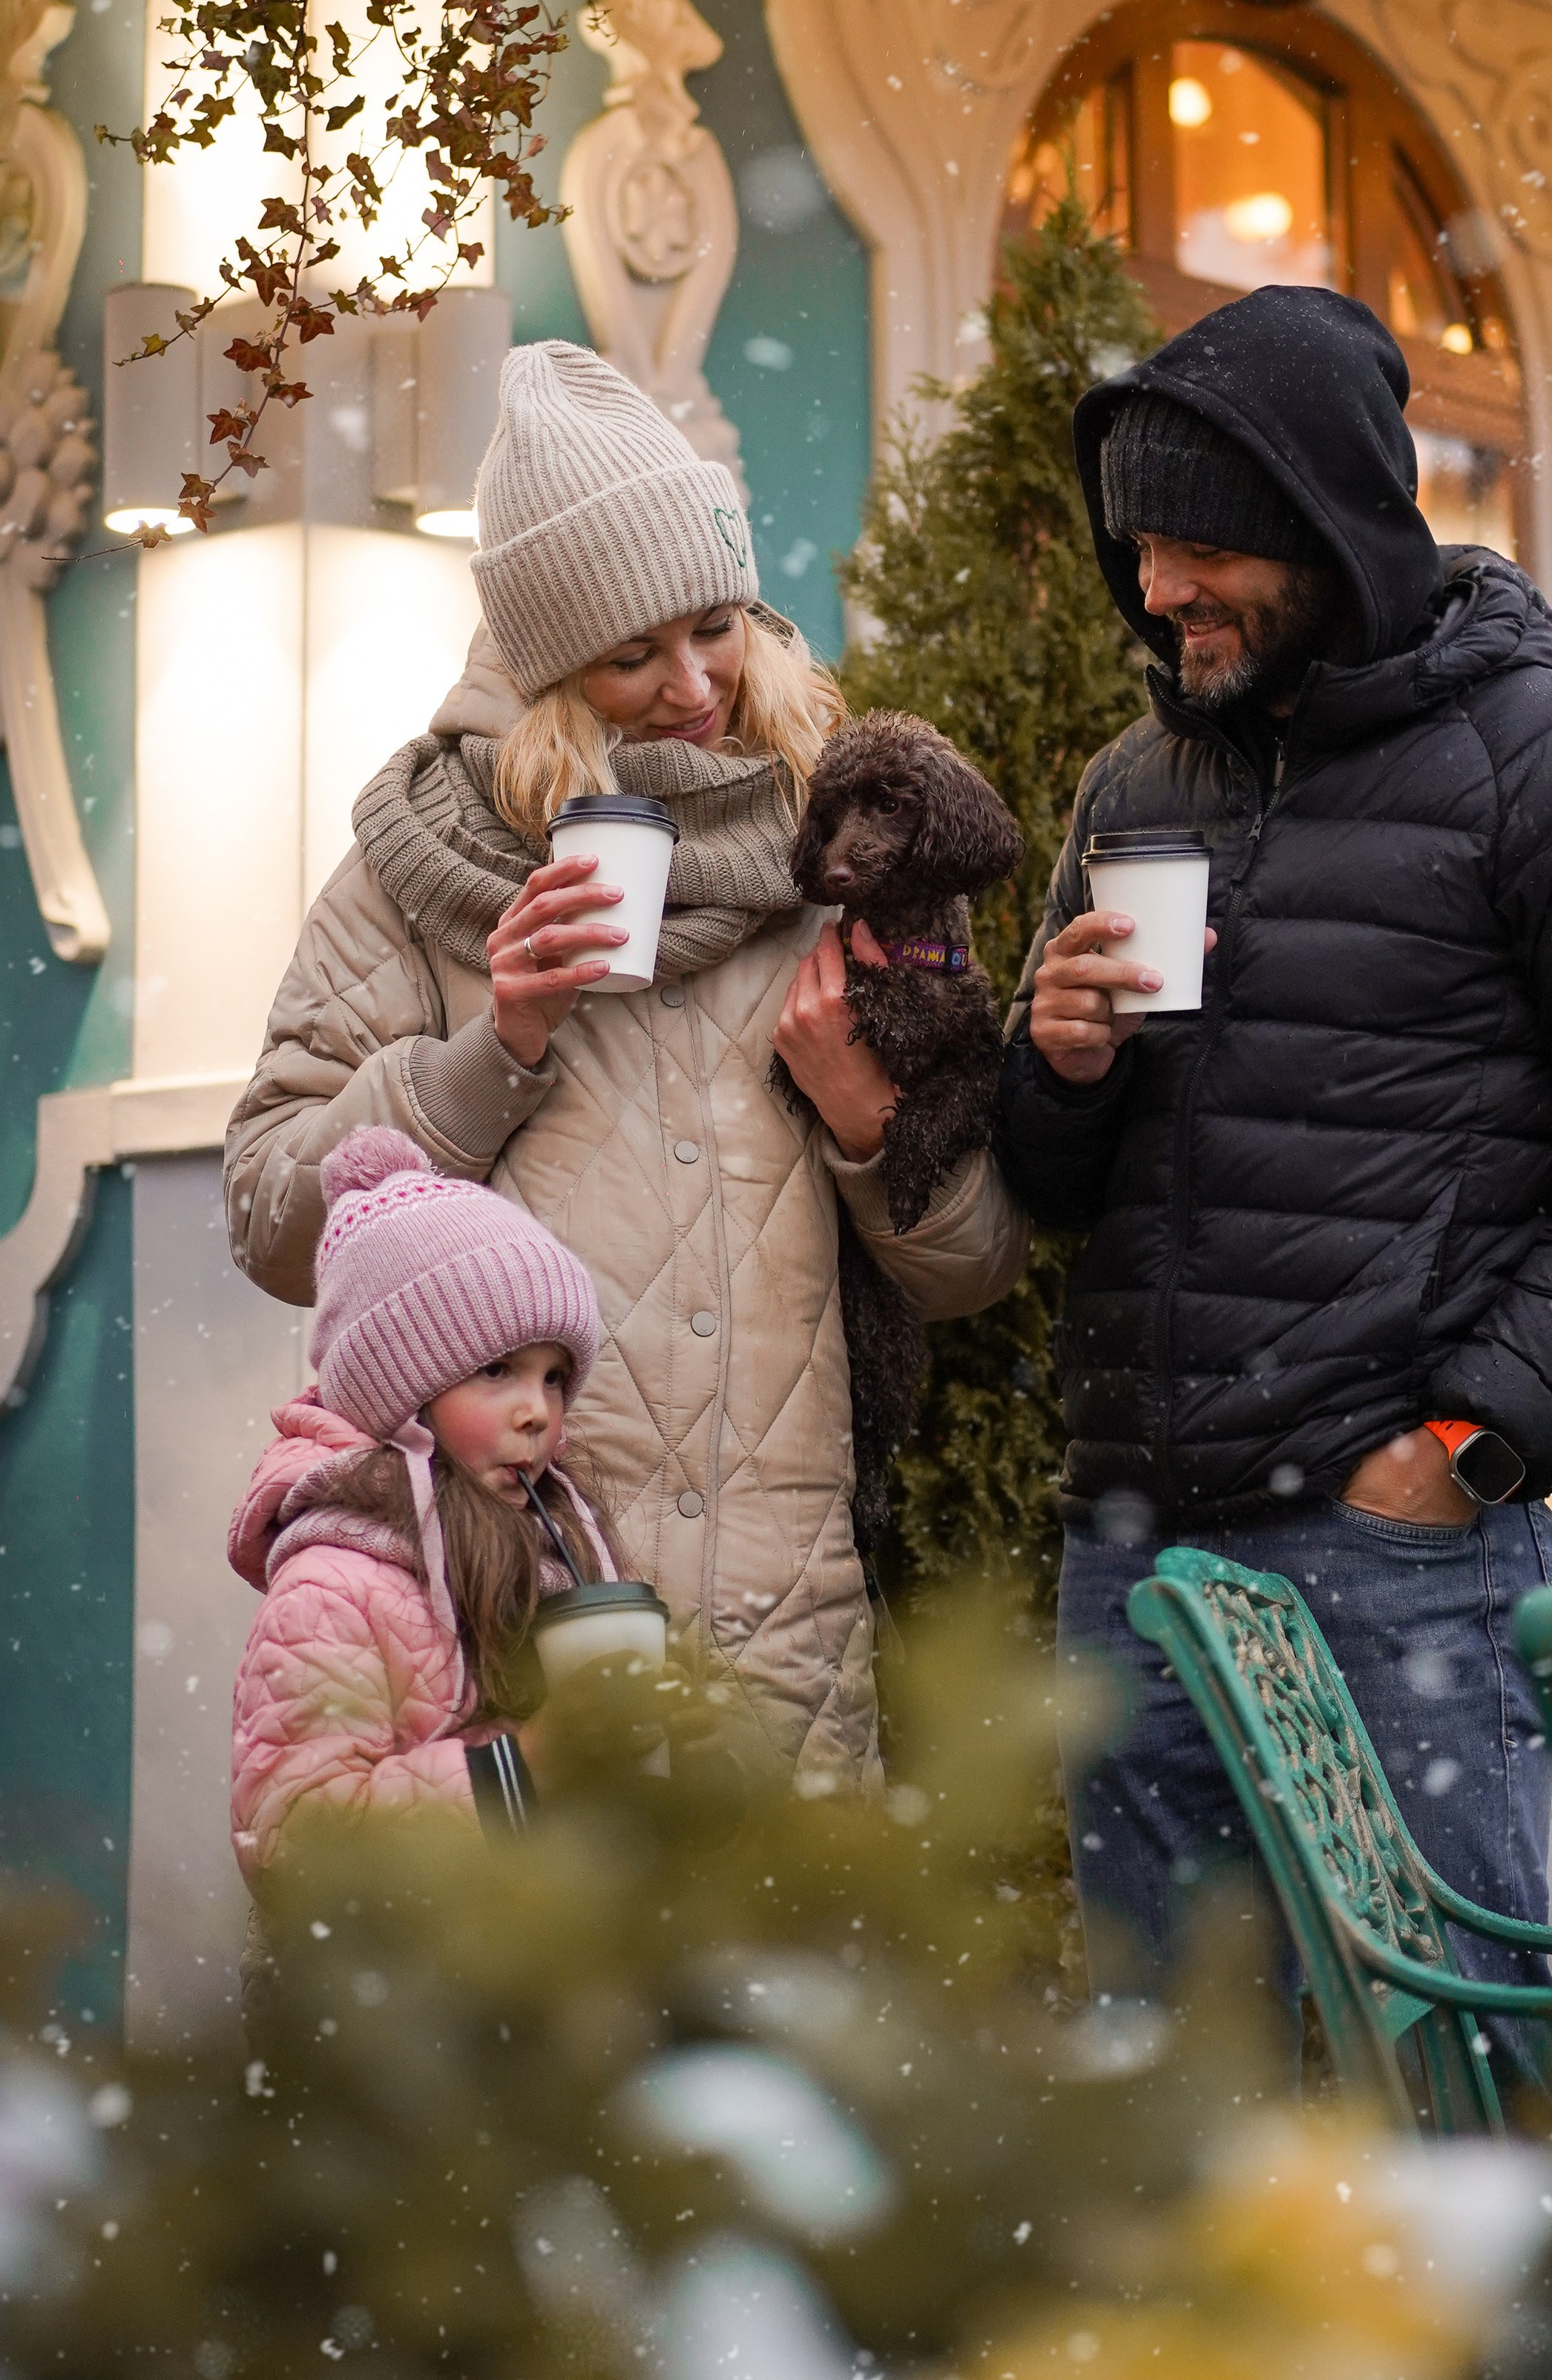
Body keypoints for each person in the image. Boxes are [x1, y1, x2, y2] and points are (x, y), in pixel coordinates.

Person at [993, 284, 1552, 2063]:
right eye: (1141, 550)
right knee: (1167, 2102)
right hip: (1128, 1559)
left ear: (1325, 531)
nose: (1158, 588)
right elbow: (1054, 1184)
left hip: (1381, 1559)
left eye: (1200, 548)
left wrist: (1453, 1452)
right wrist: (1053, 1060)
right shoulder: (1134, 785)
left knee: (1435, 2075)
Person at [226, 341, 1027, 1791]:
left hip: (791, 1638)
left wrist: (864, 1121)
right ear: (546, 668)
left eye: (715, 627)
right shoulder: (422, 874)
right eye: (631, 653)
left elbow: (971, 1263)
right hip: (522, 1628)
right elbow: (275, 1221)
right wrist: (494, 1050)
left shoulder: (846, 848)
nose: (693, 685)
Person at [228, 1125, 616, 1876]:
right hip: (413, 1987)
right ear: (399, 1394)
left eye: (554, 1376)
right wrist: (522, 1768)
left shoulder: (559, 1548)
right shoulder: (334, 1588)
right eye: (498, 1369)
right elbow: (296, 1845)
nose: (537, 1409)